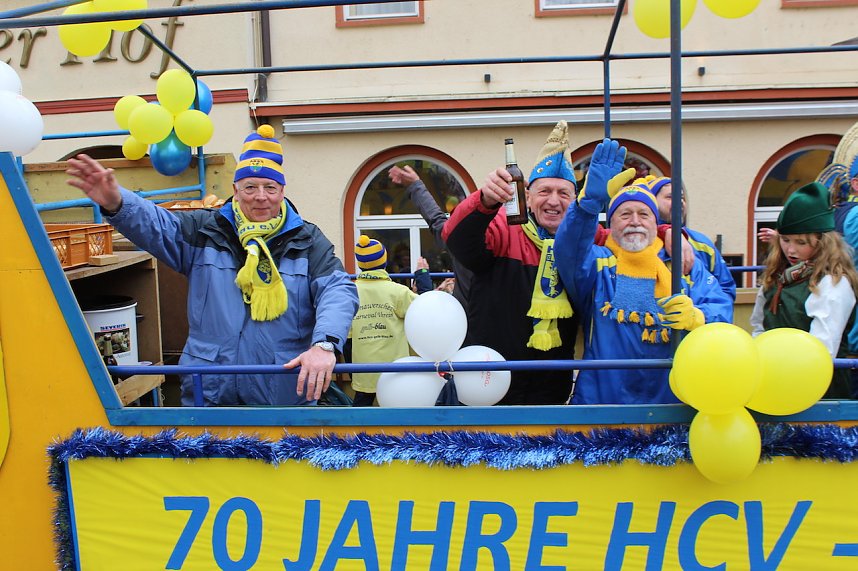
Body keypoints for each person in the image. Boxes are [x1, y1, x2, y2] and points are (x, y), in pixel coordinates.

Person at [66, 125, 359, 406]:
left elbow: (338, 290)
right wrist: (117, 202)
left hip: (283, 393)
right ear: (235, 188)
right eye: (250, 187)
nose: (260, 196)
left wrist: (324, 344)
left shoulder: (308, 240)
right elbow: (157, 225)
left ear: (282, 191)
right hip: (210, 391)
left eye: (270, 187)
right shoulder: (205, 230)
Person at [554, 139, 734, 405]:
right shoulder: (599, 263)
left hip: (672, 401)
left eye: (644, 214)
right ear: (611, 224)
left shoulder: (681, 264)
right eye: (624, 214)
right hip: (604, 403)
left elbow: (722, 308)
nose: (635, 221)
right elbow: (569, 249)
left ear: (656, 223)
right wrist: (588, 204)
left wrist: (699, 317)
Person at [441, 120, 583, 405]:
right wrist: (484, 201)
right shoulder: (505, 228)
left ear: (574, 200)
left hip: (551, 385)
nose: (554, 201)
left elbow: (628, 240)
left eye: (563, 193)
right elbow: (456, 238)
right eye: (545, 192)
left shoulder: (583, 242)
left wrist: (670, 232)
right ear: (528, 198)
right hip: (489, 382)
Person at [750, 182, 858, 399]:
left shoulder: (833, 282)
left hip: (819, 390)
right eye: (785, 240)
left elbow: (822, 349)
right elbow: (758, 328)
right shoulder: (776, 276)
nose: (790, 249)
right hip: (772, 381)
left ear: (822, 242)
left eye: (801, 242)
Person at [633, 175, 737, 301]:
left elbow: (725, 290)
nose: (680, 202)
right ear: (651, 202)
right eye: (670, 197)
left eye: (682, 198)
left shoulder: (702, 243)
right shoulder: (635, 240)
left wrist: (698, 316)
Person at [388, 164, 473, 309]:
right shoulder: (461, 243)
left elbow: (437, 220)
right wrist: (415, 187)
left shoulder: (463, 243)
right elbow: (437, 220)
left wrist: (416, 186)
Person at [349, 235, 420, 407]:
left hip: (363, 368)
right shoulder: (399, 292)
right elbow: (422, 313)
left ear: (359, 264)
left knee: (361, 408)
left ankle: (354, 433)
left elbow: (347, 334)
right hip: (395, 369)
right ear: (384, 261)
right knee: (398, 408)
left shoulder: (350, 292)